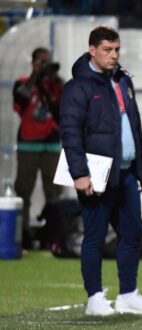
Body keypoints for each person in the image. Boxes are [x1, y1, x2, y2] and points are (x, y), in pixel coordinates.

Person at [60, 25, 142, 316]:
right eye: (107, 50)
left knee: (131, 234)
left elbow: (134, 124)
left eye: (116, 49)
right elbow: (70, 133)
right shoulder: (78, 87)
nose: (113, 55)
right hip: (97, 174)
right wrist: (80, 173)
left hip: (128, 171)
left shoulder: (122, 80)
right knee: (95, 235)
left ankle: (128, 294)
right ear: (92, 50)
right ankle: (94, 298)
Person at [12, 47, 63, 250]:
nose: (44, 65)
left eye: (46, 61)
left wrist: (50, 80)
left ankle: (52, 236)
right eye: (40, 62)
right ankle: (23, 234)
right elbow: (20, 101)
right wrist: (35, 76)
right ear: (32, 62)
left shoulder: (55, 85)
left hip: (51, 145)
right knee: (23, 191)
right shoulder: (23, 82)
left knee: (53, 193)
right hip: (28, 144)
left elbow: (61, 110)